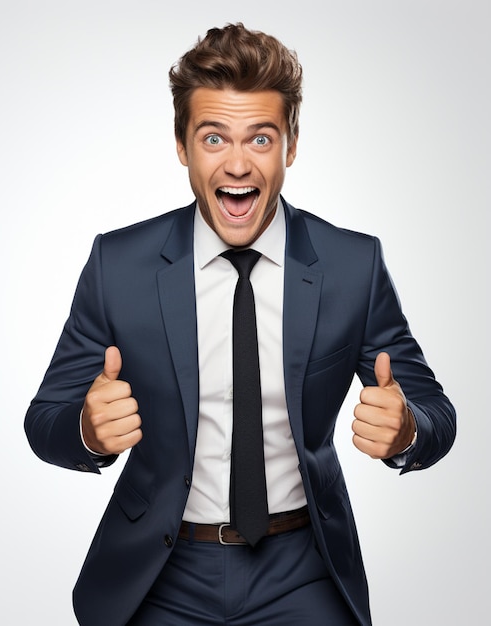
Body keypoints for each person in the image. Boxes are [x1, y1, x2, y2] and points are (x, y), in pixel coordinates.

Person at [25, 23, 456, 626]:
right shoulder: (117, 265)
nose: (237, 163)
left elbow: (436, 410)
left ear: (291, 144)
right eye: (212, 137)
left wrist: (408, 431)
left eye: (260, 137)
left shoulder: (352, 265)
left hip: (303, 569)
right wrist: (87, 431)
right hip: (161, 572)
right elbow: (44, 420)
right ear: (182, 145)